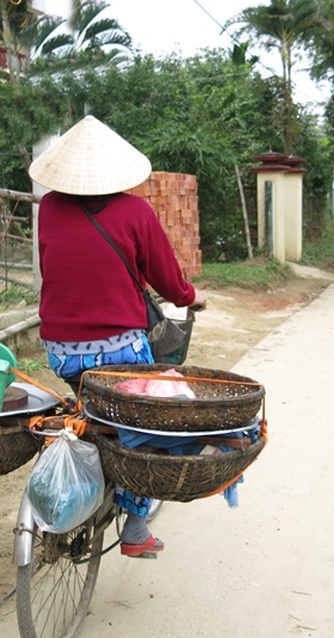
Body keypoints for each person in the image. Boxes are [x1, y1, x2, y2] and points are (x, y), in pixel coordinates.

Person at [28, 115, 207, 558]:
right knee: (141, 424)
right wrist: (191, 296)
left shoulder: (48, 208)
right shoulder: (136, 212)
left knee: (90, 412)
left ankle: (71, 493)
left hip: (61, 351)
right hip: (119, 350)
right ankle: (136, 526)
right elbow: (168, 281)